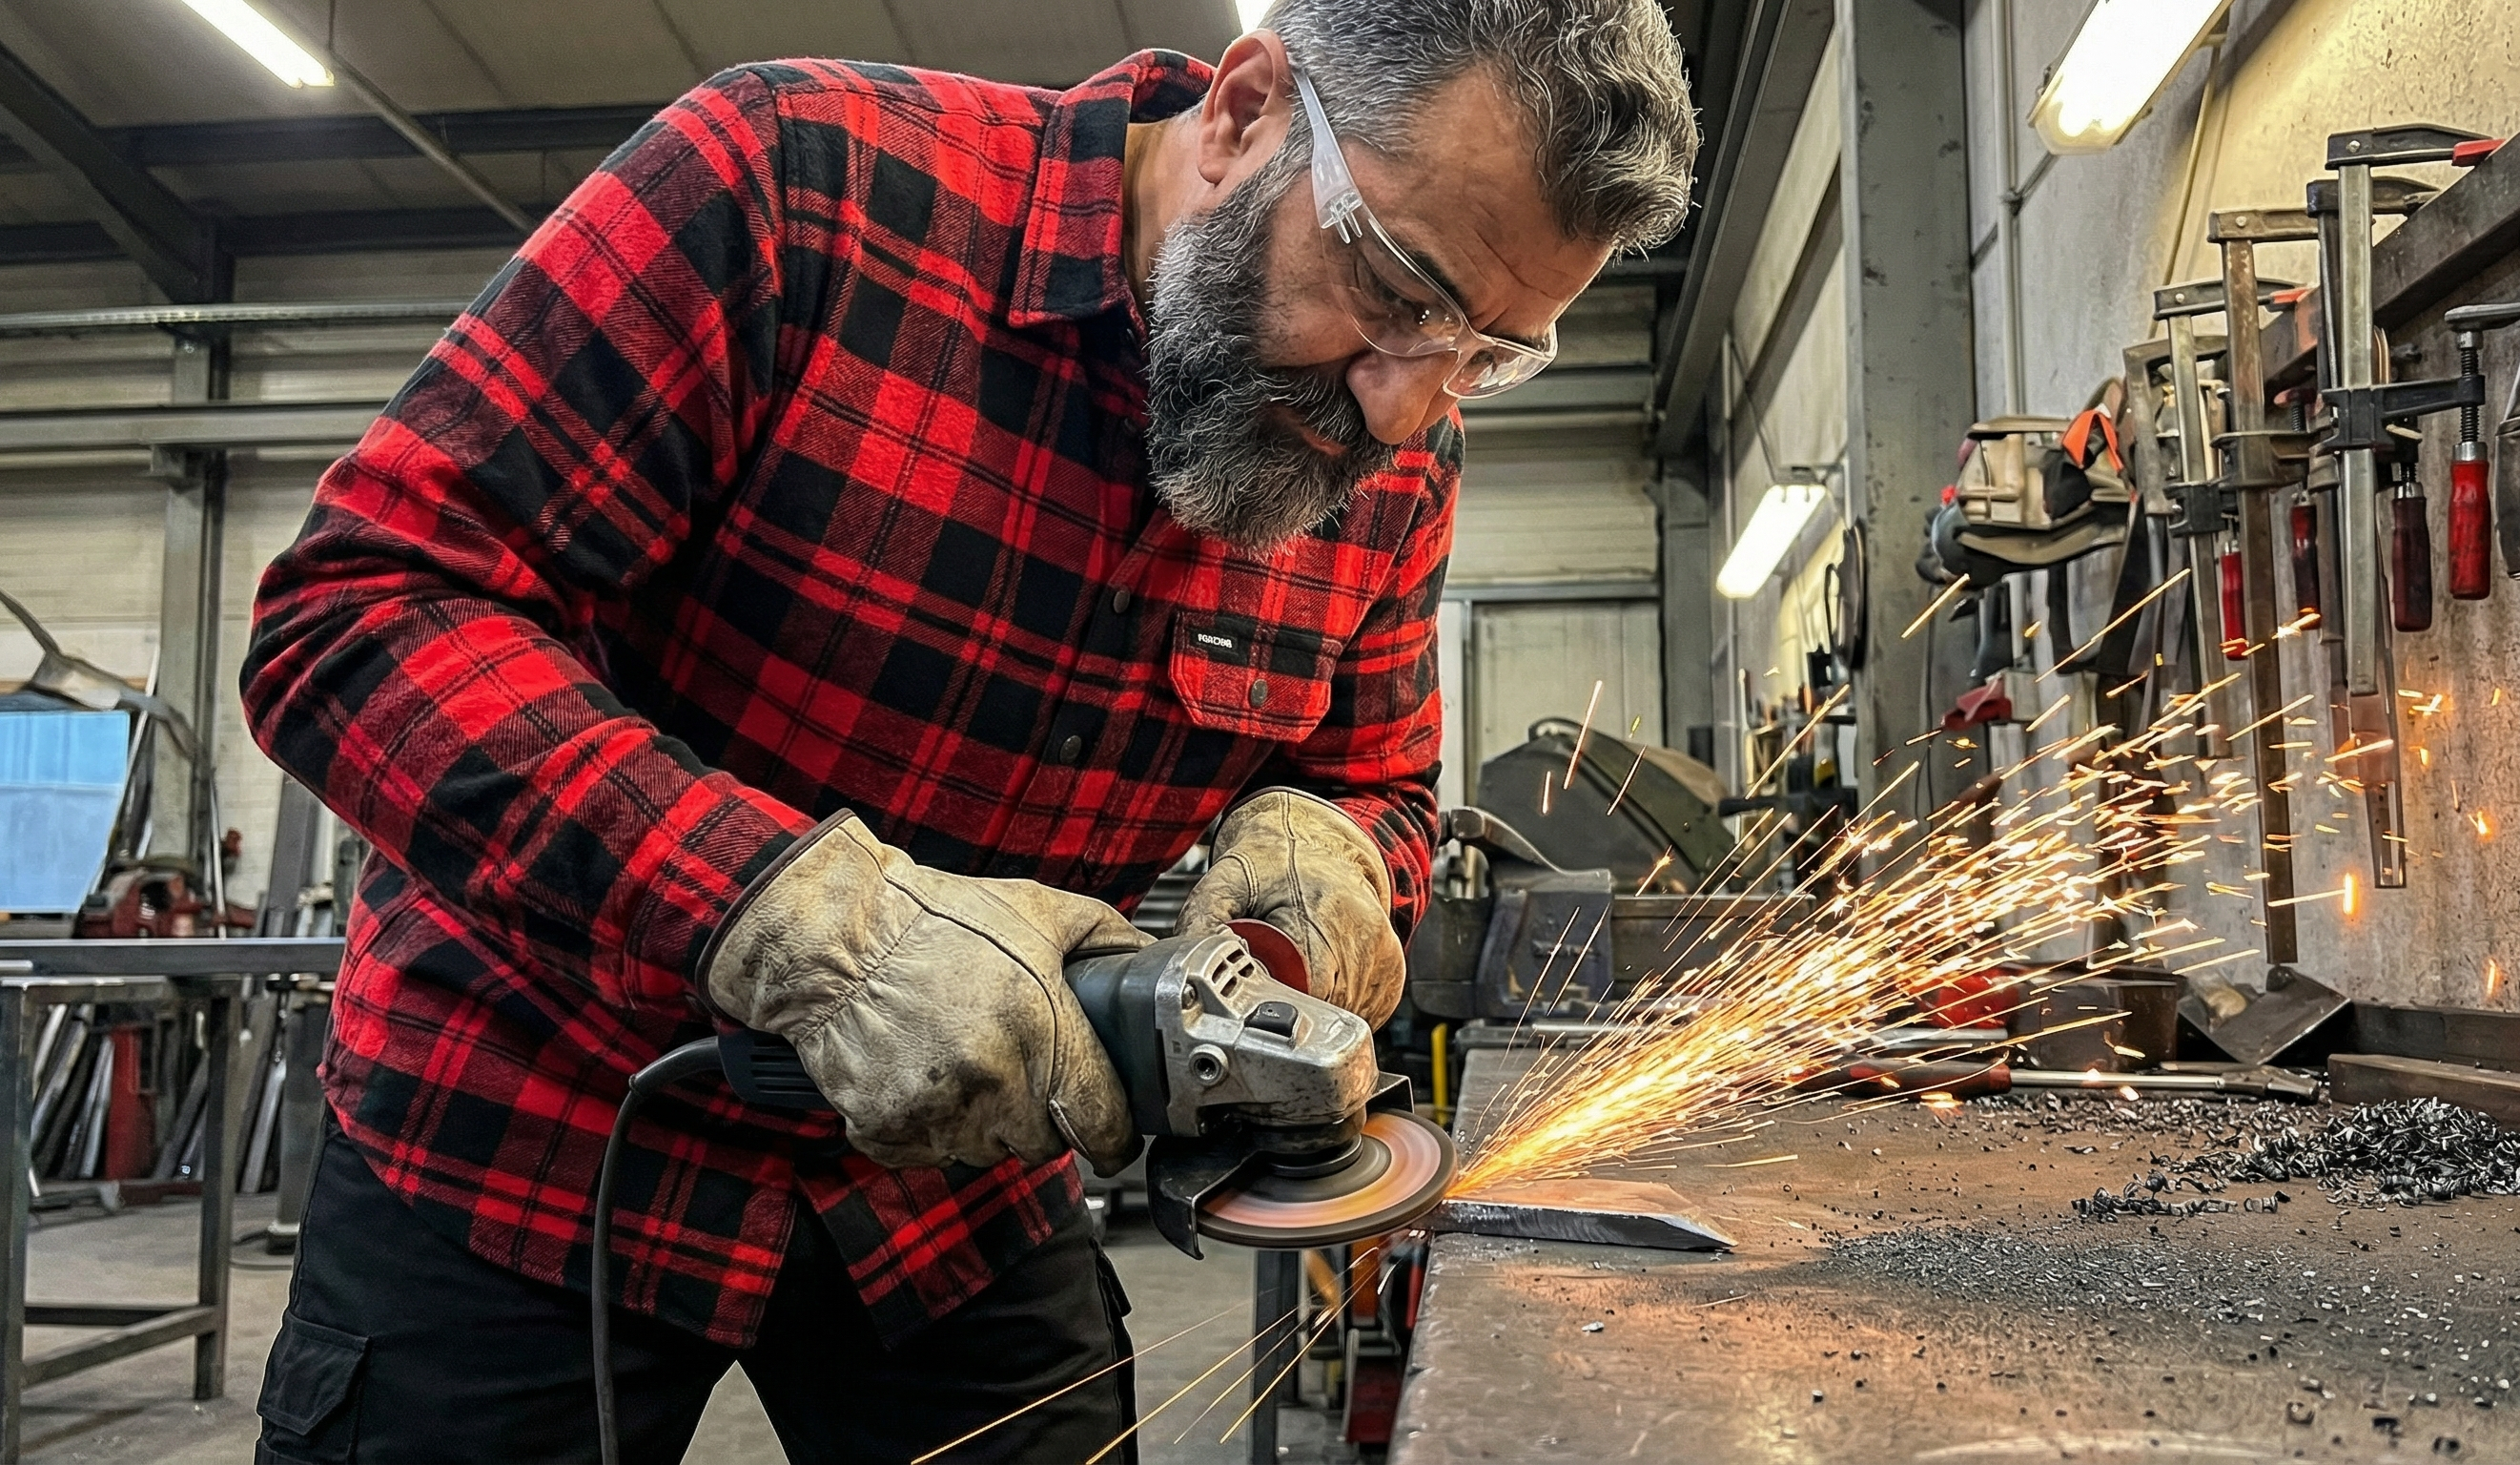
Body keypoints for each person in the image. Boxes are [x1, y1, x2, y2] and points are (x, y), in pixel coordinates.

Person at [239, 1, 1694, 1459]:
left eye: (1487, 353)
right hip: (535, 1125)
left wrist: (1327, 873)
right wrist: (796, 920)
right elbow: (360, 611)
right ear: (1245, 113)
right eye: (1393, 284)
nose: (1401, 405)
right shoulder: (795, 184)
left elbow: (1367, 777)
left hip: (958, 1177)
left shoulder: (1399, 452)